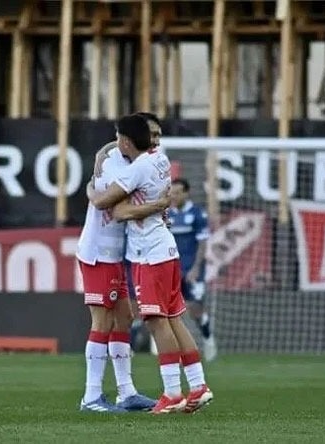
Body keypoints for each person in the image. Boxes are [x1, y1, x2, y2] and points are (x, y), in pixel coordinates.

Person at [87, 114, 213, 414]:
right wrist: (156, 205)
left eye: (120, 138)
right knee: (174, 319)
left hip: (149, 254)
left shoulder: (138, 167)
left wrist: (92, 189)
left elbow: (111, 208)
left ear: (127, 142)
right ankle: (198, 385)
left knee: (157, 323)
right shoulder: (160, 160)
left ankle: (171, 393)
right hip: (166, 249)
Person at [77, 126, 168, 413]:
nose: (155, 141)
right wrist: (159, 204)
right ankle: (91, 397)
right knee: (102, 321)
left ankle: (126, 392)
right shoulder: (115, 162)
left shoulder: (136, 162)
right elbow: (114, 206)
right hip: (98, 252)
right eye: (151, 135)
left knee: (125, 317)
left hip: (116, 253)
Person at [167, 178, 217, 361]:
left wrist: (196, 268)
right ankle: (177, 350)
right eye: (172, 192)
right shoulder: (166, 214)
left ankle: (208, 337)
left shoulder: (197, 214)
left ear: (186, 193)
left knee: (195, 308)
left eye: (178, 192)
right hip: (172, 270)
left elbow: (203, 244)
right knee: (171, 311)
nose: (174, 195)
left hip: (192, 270)